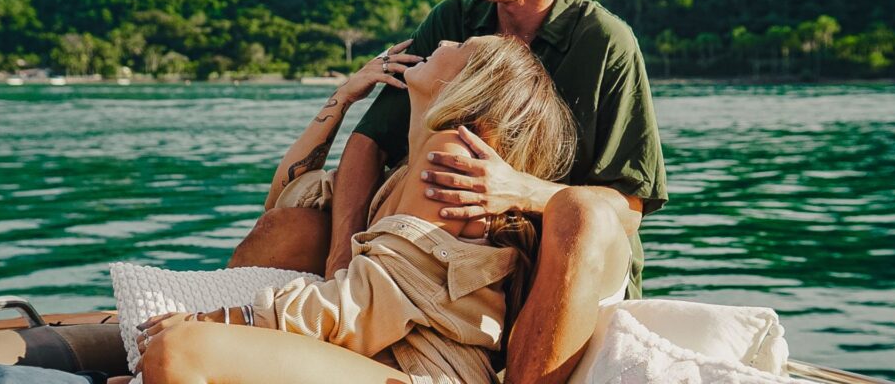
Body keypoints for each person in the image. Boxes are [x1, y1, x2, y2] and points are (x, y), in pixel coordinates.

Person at [231, 0, 667, 382]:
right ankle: (228, 350)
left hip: (546, 264)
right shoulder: (453, 21)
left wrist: (517, 189)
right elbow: (368, 144)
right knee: (290, 229)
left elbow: (628, 206)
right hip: (438, 252)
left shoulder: (605, 43)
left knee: (584, 215)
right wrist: (341, 260)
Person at [133, 35, 592, 384]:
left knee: (179, 349)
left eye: (463, 46)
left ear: (471, 83)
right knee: (154, 346)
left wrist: (222, 319)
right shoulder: (401, 174)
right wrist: (346, 96)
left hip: (424, 374)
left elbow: (361, 309)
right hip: (376, 366)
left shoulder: (451, 158)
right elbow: (282, 203)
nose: (446, 41)